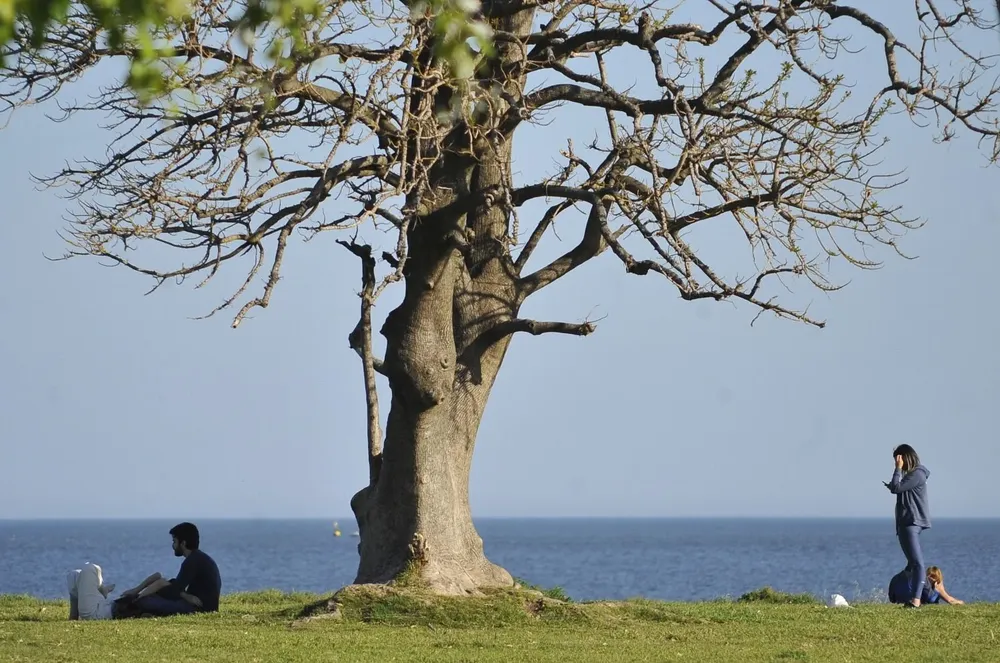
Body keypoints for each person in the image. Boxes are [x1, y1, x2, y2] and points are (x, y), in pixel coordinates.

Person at [125, 522, 222, 617]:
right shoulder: (198, 558)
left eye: (174, 541)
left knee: (145, 601)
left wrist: (168, 589)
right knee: (156, 592)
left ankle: (137, 608)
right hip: (200, 605)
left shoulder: (192, 561)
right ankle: (147, 610)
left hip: (199, 609)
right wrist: (185, 595)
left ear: (183, 543)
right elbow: (178, 587)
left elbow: (175, 591)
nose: (173, 546)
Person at [883, 444, 931, 608]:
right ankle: (907, 593)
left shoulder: (917, 474)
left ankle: (916, 599)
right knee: (912, 565)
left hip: (911, 522)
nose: (897, 463)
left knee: (917, 564)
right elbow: (898, 487)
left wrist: (897, 469)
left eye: (898, 459)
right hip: (907, 522)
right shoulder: (914, 476)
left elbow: (896, 488)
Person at [66, 562, 163, 620]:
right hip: (106, 605)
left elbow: (161, 582)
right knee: (74, 574)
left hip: (97, 614)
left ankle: (101, 588)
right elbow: (158, 576)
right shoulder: (151, 598)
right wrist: (136, 590)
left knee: (90, 568)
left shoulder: (154, 606)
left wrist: (137, 594)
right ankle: (73, 616)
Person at [888, 566, 964, 605]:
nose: (931, 579)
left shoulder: (931, 587)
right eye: (930, 576)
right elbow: (949, 600)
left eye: (934, 577)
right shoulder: (925, 584)